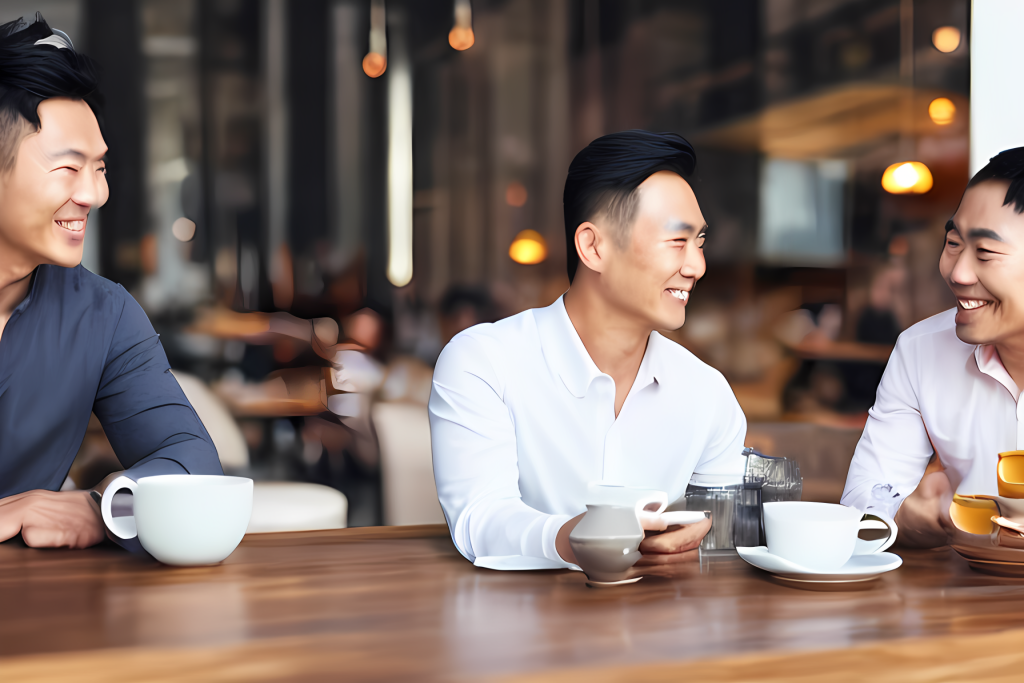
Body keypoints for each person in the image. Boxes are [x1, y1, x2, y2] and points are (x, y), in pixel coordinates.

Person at [429, 130, 747, 572]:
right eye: (677, 241)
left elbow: (725, 539)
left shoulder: (708, 393)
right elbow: (479, 521)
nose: (697, 266)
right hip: (516, 629)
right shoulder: (483, 363)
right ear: (593, 247)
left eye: (700, 242)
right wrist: (580, 537)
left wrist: (705, 535)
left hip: (659, 629)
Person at [0, 15, 221, 550]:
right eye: (67, 169)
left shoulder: (102, 315)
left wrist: (103, 507)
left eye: (98, 168)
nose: (94, 195)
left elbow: (194, 464)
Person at [842, 147, 1024, 547]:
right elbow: (859, 506)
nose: (957, 273)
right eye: (954, 242)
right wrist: (908, 516)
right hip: (968, 596)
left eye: (986, 253)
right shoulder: (921, 350)